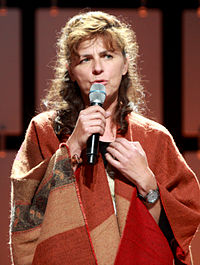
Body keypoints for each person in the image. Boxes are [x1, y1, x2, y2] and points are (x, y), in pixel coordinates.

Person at [9, 11, 200, 265]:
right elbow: (27, 219)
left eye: (107, 56)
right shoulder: (44, 131)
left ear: (125, 64)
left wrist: (148, 184)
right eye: (85, 59)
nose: (97, 68)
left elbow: (177, 234)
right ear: (71, 70)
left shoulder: (153, 138)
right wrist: (72, 147)